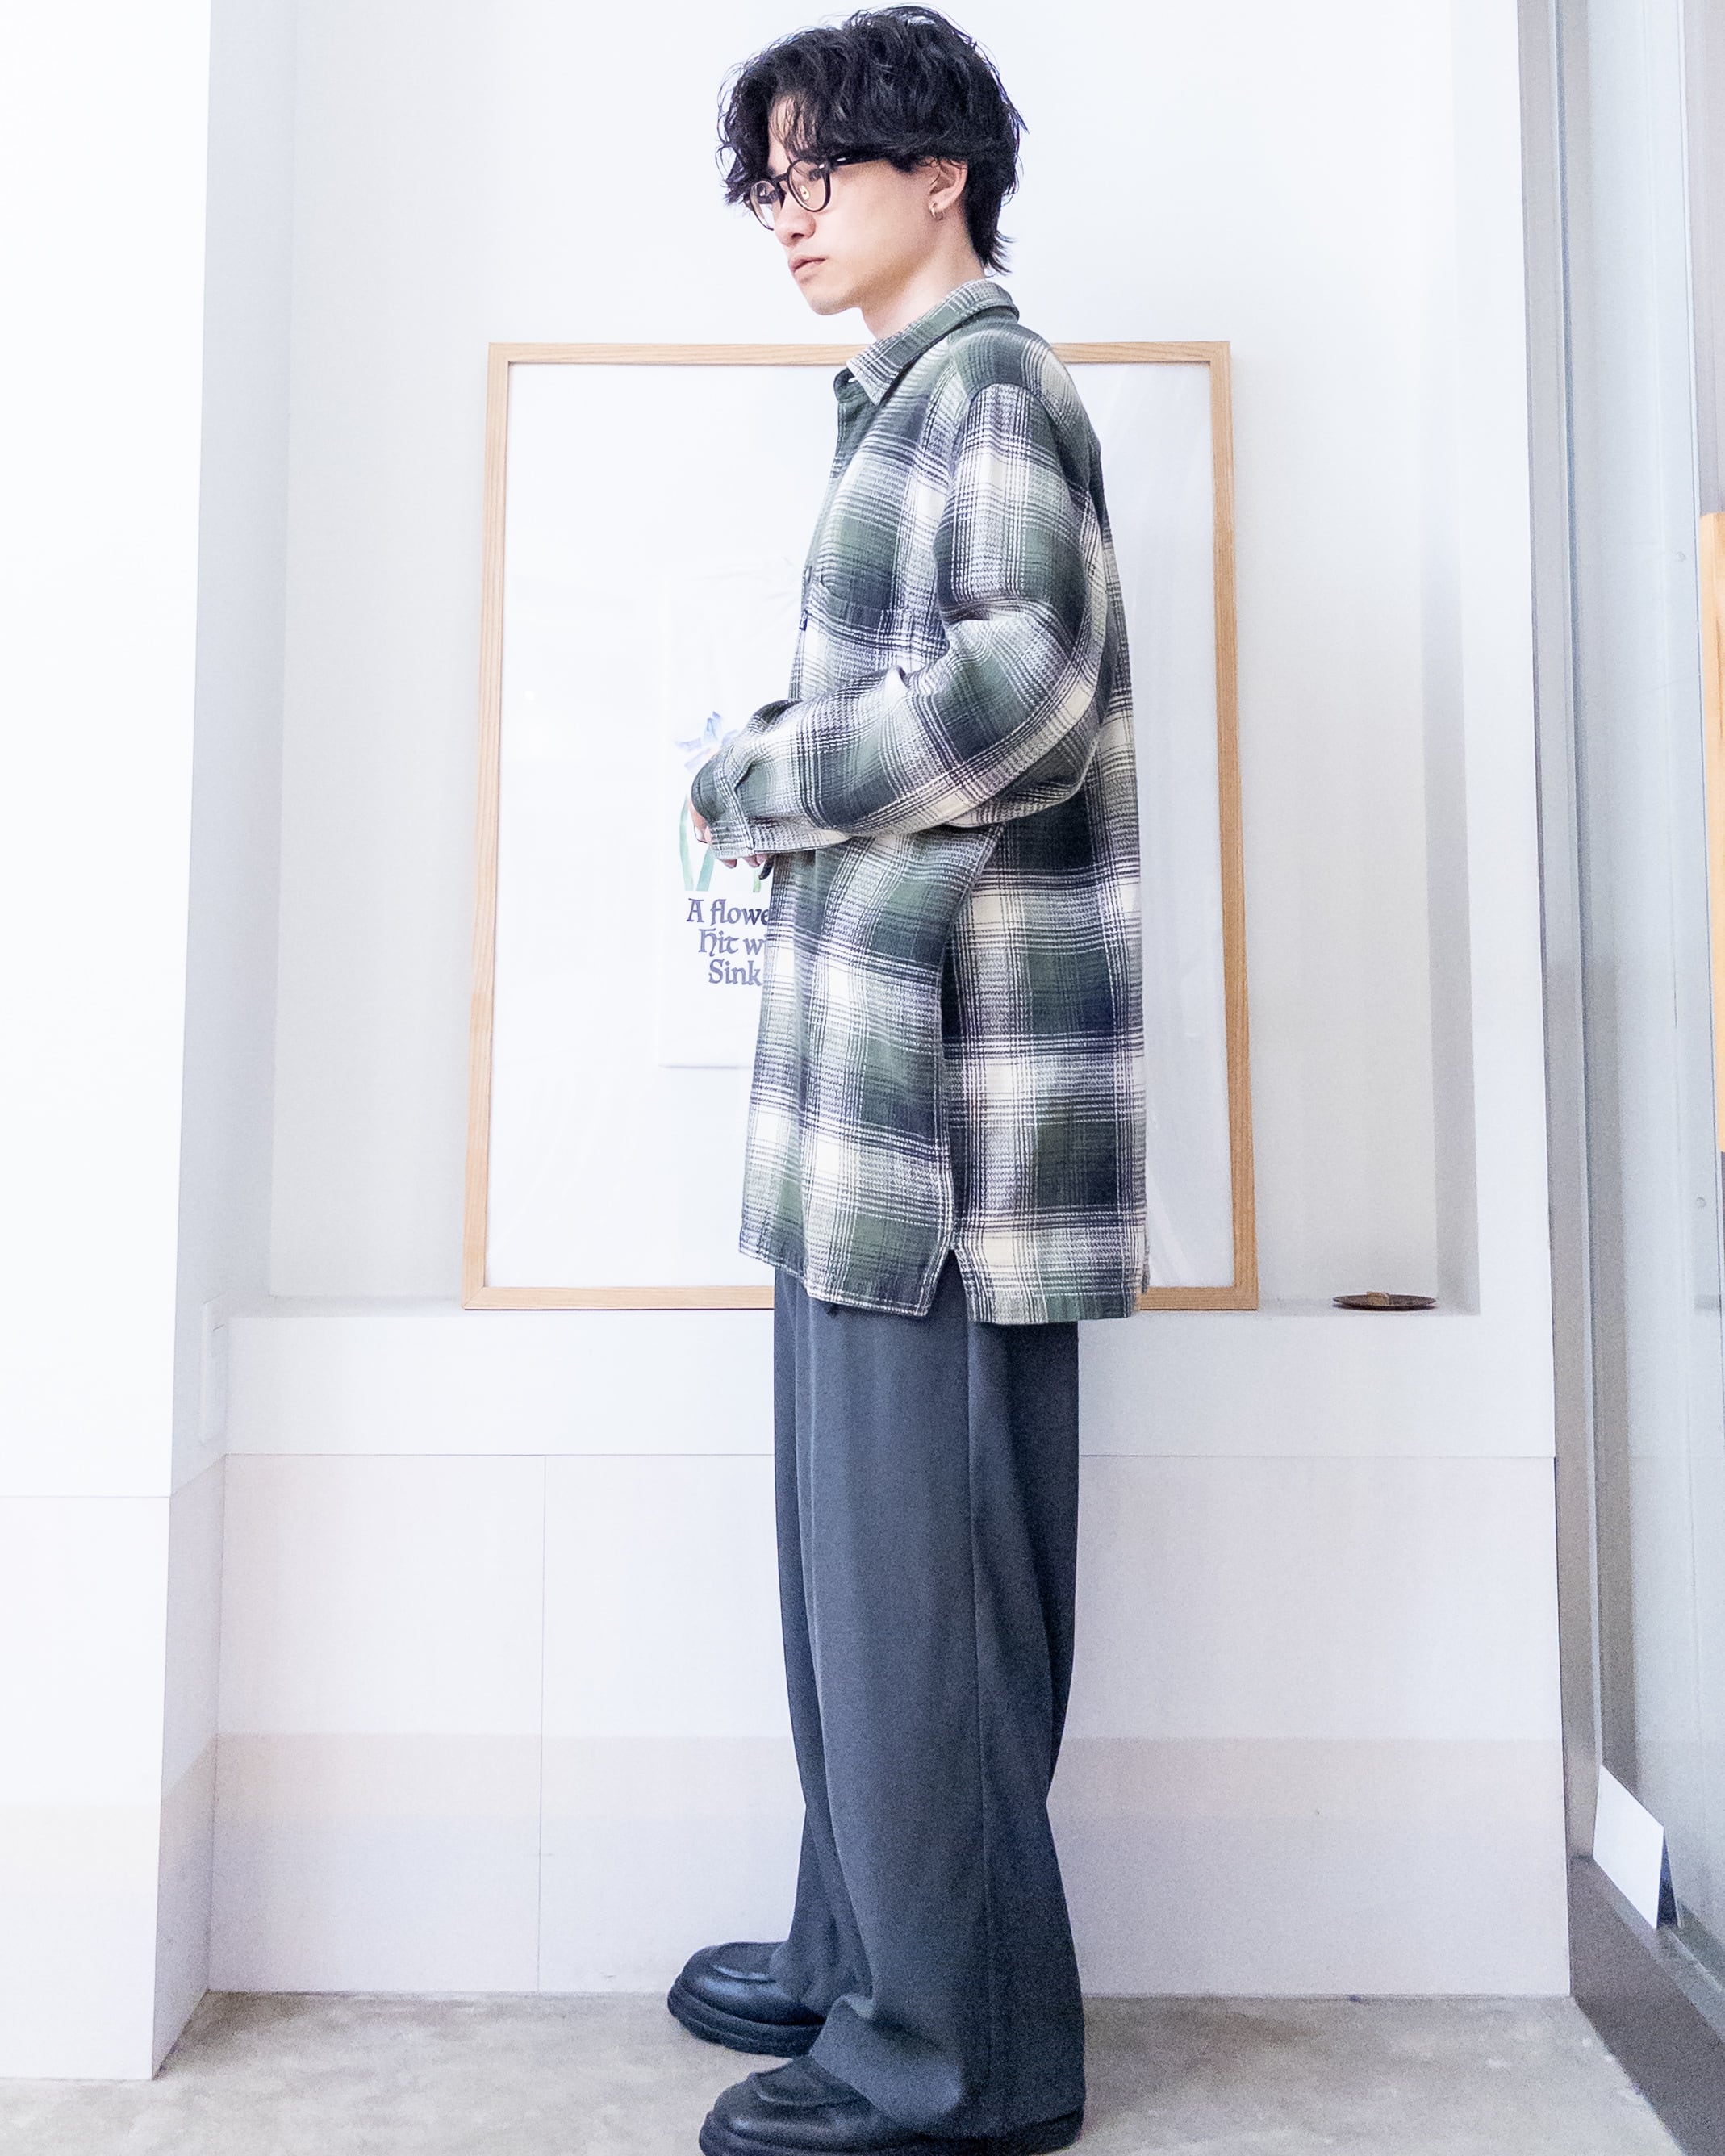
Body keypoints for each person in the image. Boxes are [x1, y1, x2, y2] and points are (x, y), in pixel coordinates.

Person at [671, 10, 1147, 2152]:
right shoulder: (902, 406)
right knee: (857, 1590)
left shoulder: (993, 391)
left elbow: (1025, 690)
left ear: (935, 171)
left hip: (948, 1134)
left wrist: (764, 777)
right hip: (866, 1115)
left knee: (927, 1600)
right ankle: (864, 1945)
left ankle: (959, 2063)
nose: (786, 217)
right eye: (766, 185)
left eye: (817, 173)